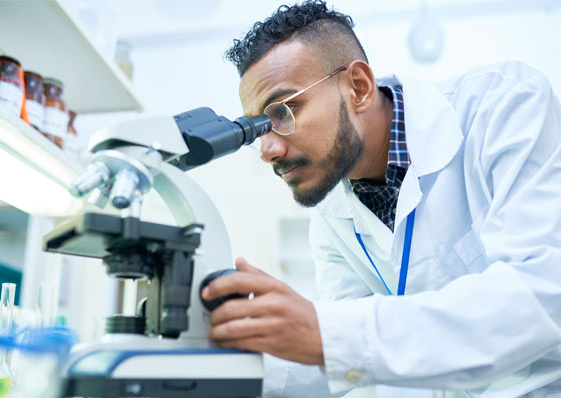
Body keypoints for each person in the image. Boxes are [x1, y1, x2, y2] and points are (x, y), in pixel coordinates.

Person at [200, 1, 561, 397]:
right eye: (256, 130)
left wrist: (324, 331)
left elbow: (543, 294)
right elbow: (353, 373)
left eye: (283, 111)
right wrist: (244, 363)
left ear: (358, 87)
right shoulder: (330, 217)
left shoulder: (504, 107)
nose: (268, 149)